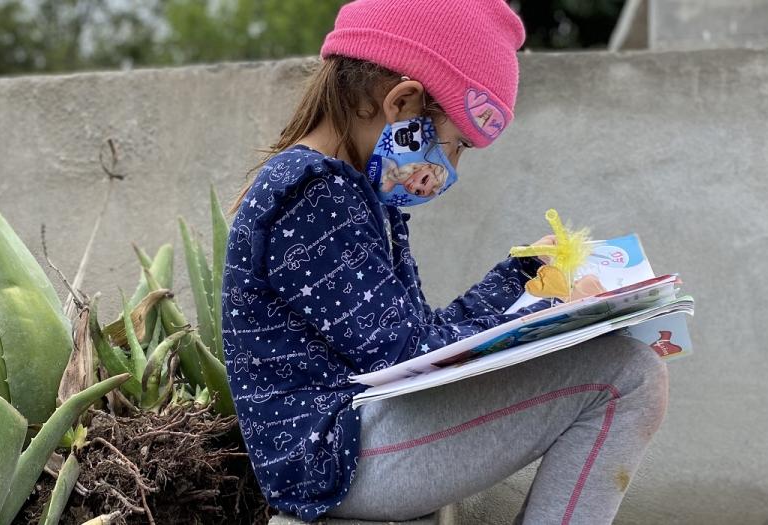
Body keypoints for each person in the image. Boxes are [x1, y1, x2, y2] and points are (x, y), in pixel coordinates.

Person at [220, 1, 669, 523]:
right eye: (455, 145)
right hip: (334, 459)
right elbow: (407, 356)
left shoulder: (355, 196)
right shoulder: (315, 196)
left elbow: (418, 342)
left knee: (627, 368)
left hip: (352, 442)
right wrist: (551, 314)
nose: (450, 167)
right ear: (402, 102)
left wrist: (523, 280)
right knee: (628, 374)